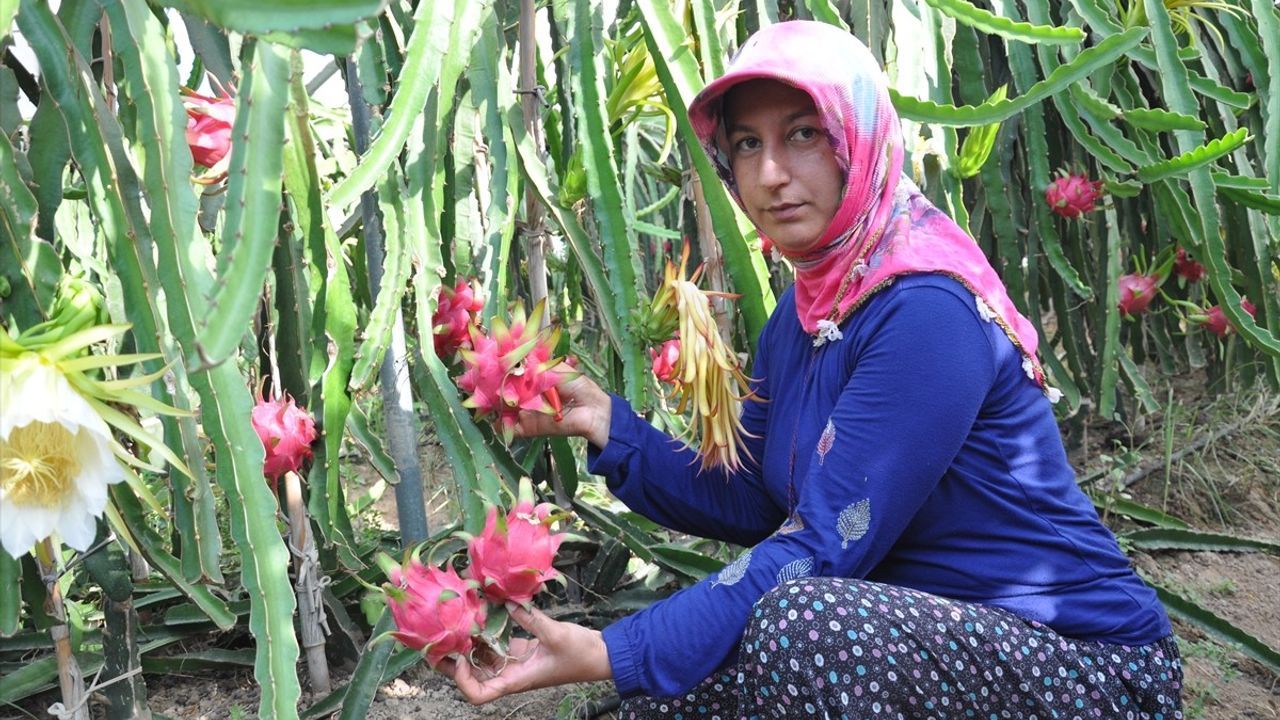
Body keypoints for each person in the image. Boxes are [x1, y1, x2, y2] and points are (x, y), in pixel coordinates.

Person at [440, 20, 1183, 720]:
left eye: (802, 135)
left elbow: (824, 544)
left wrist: (616, 648)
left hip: (1085, 667)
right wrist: (608, 424)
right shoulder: (807, 315)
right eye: (745, 144)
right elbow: (755, 497)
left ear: (855, 139)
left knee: (805, 626)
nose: (769, 174)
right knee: (666, 703)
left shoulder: (926, 310)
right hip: (920, 646)